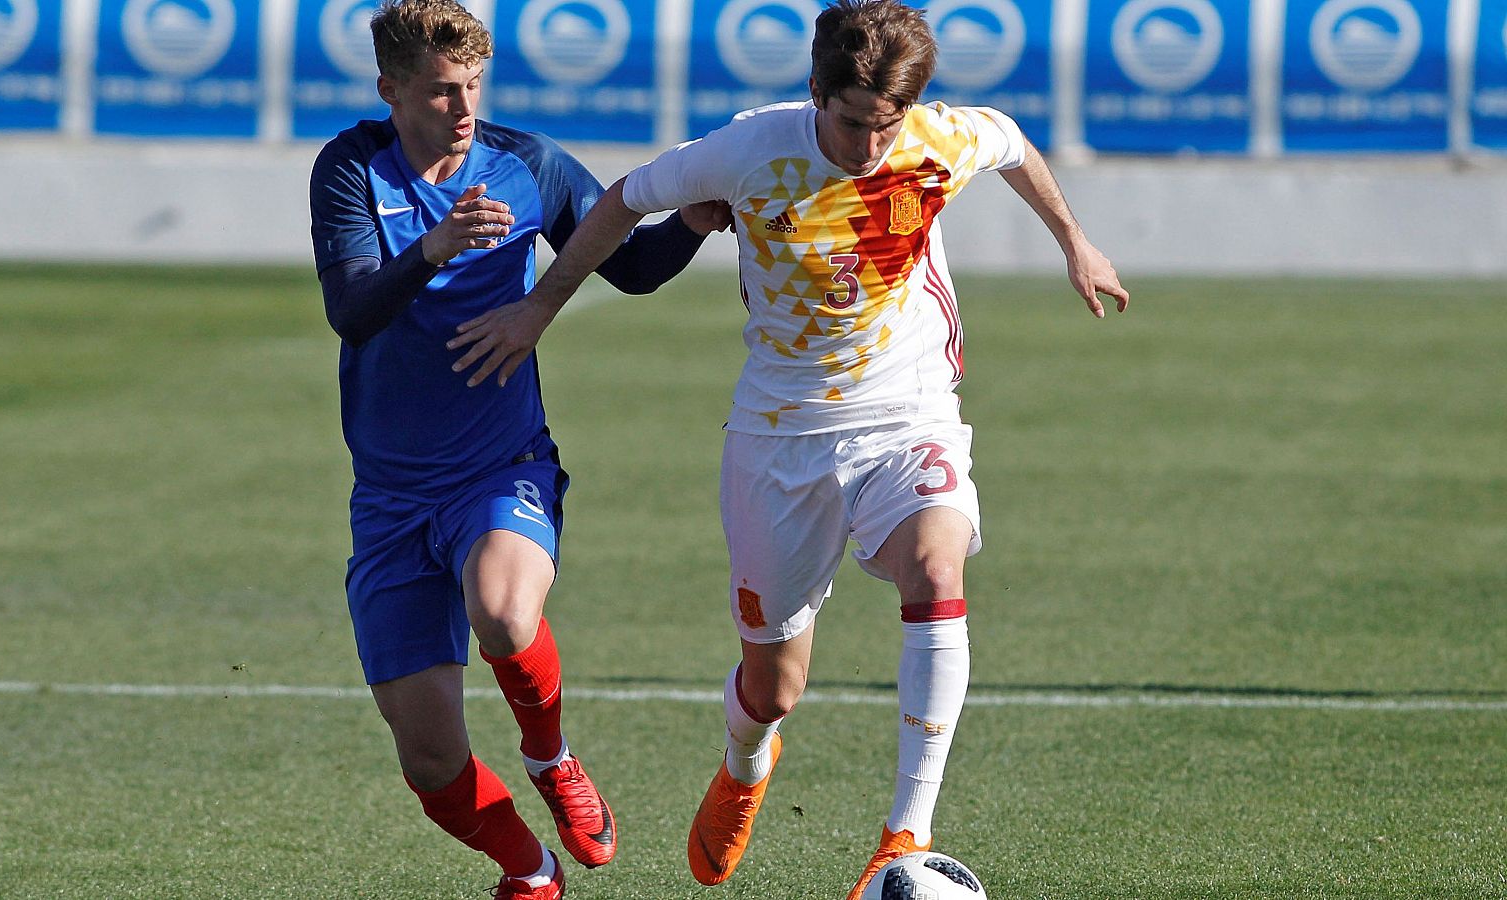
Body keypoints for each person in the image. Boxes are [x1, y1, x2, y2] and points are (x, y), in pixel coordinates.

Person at [446, 0, 1128, 896]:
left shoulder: (938, 137)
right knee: (773, 687)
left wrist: (1075, 240)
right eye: (851, 124)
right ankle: (745, 760)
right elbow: (620, 203)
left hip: (907, 410)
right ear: (817, 93)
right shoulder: (747, 148)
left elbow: (1014, 146)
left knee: (937, 567)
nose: (870, 147)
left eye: (886, 127)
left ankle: (903, 836)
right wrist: (540, 307)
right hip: (780, 436)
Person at [307, 2, 727, 898]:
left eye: (472, 88)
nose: (462, 109)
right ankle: (531, 871)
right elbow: (352, 311)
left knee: (504, 612)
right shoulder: (350, 168)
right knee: (429, 763)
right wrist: (435, 246)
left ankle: (552, 757)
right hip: (387, 499)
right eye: (439, 91)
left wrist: (691, 222)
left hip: (499, 469)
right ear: (391, 91)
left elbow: (631, 268)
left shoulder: (528, 163)